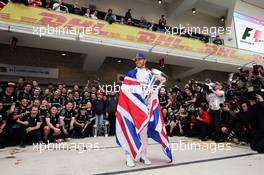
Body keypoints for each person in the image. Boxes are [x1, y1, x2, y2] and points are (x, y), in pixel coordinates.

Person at [116, 52, 172, 167]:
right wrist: (139, 98)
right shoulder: (131, 73)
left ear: (145, 60)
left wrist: (150, 98)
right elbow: (126, 90)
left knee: (144, 134)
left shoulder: (150, 73)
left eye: (140, 59)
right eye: (136, 60)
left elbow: (154, 90)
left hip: (145, 108)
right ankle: (128, 157)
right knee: (129, 130)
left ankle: (143, 155)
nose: (138, 61)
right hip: (132, 108)